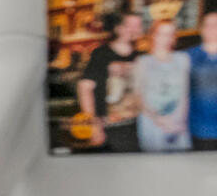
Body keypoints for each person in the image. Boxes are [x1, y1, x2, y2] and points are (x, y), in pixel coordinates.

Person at [75, 11, 148, 152]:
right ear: (118, 28)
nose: (134, 29)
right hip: (108, 129)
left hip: (134, 126)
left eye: (138, 25)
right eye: (130, 25)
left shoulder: (140, 57)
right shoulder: (102, 54)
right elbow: (84, 88)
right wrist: (94, 126)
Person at [135, 17, 193, 150]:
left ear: (174, 37)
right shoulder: (142, 62)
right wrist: (160, 120)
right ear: (153, 35)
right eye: (161, 34)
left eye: (170, 34)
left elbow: (185, 93)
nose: (166, 38)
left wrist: (178, 121)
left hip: (177, 124)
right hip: (152, 123)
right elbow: (138, 98)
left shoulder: (183, 59)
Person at [191, 8, 217, 147]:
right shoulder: (188, 57)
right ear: (201, 29)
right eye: (208, 24)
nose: (213, 28)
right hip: (199, 130)